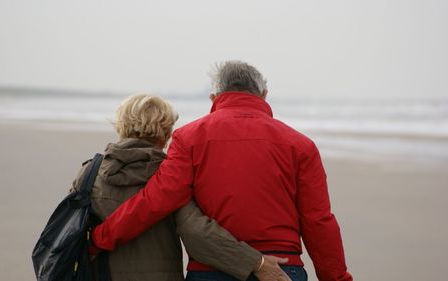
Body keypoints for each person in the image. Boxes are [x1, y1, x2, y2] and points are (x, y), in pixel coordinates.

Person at [91, 61, 353, 281]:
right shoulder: (300, 145)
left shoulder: (188, 138)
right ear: (263, 95)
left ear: (214, 97)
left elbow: (157, 199)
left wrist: (100, 238)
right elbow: (318, 221)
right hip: (284, 270)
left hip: (211, 270)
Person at [71, 93, 291, 281]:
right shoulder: (171, 175)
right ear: (166, 134)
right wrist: (257, 263)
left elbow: (71, 229)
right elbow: (198, 233)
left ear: (120, 125)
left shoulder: (90, 173)